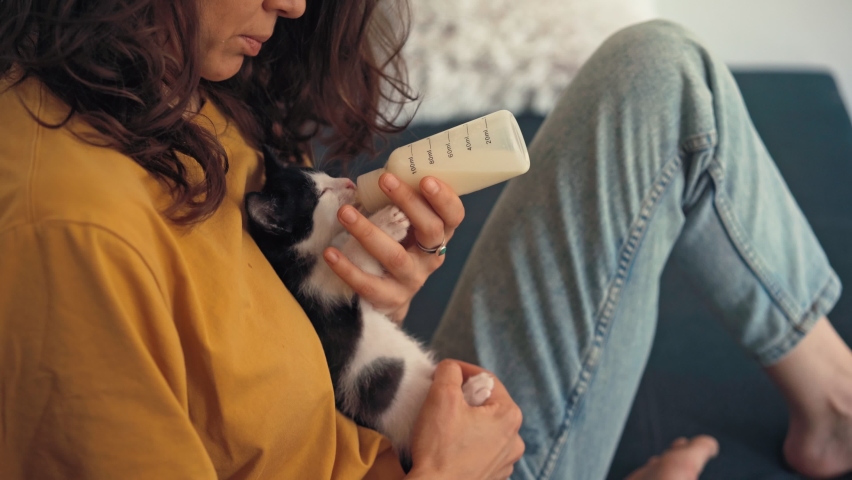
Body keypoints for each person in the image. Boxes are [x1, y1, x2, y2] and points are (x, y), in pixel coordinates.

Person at [0, 0, 850, 478]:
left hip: (394, 436)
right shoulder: (65, 235)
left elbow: (246, 326)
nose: (294, 3)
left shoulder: (178, 86)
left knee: (659, 71)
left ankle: (834, 406)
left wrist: (362, 287)